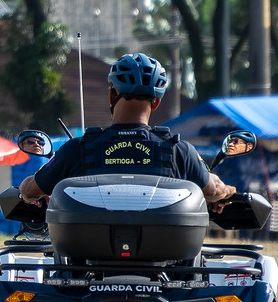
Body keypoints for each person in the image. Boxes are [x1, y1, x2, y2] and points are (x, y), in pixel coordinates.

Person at [19, 54, 236, 211]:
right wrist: (226, 191)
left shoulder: (78, 149)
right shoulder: (179, 151)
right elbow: (213, 189)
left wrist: (34, 188)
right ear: (157, 102)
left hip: (89, 260)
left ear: (112, 95)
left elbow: (29, 191)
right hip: (165, 260)